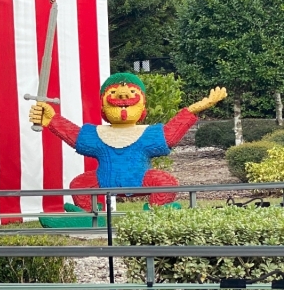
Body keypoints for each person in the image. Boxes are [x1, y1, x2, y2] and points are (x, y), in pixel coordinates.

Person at [28, 72, 226, 208]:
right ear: (103, 109)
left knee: (166, 182)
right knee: (79, 185)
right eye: (113, 93)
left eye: (132, 93)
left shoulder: (147, 134)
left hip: (141, 180)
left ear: (143, 108)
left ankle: (157, 211)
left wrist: (194, 109)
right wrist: (51, 119)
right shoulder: (97, 134)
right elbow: (75, 136)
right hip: (103, 181)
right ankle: (91, 215)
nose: (123, 95)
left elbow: (170, 135)